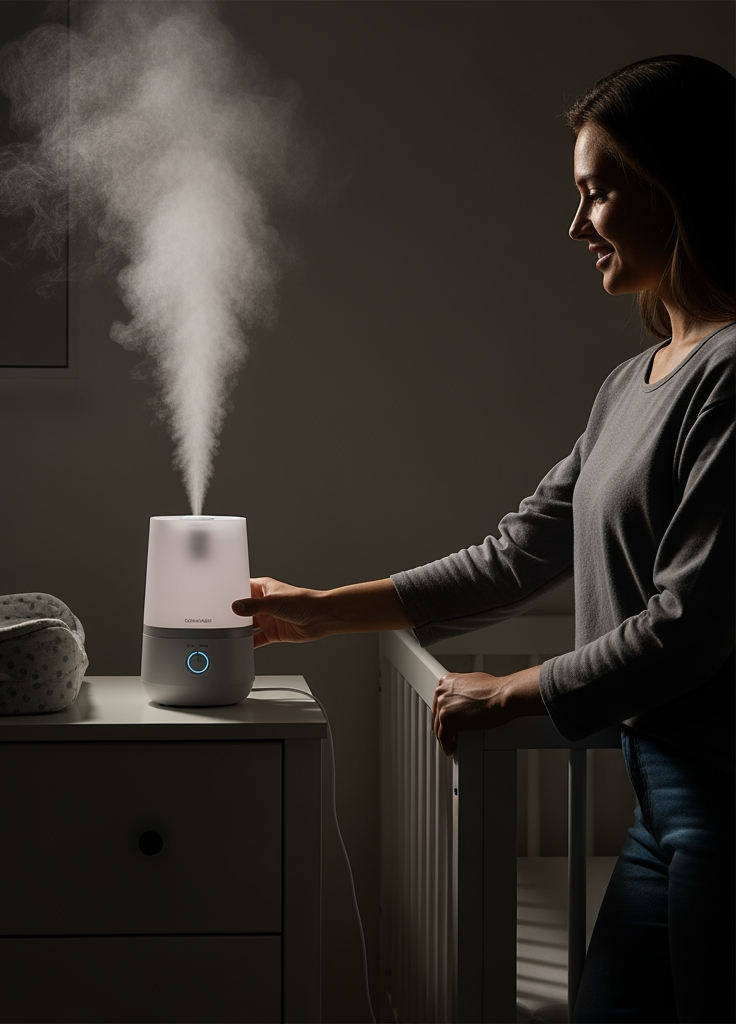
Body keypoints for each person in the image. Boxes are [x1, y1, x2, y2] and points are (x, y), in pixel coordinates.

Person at [232, 55, 735, 1023]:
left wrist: (511, 692)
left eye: (597, 193)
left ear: (675, 188)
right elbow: (515, 554)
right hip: (654, 806)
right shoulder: (628, 385)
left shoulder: (728, 376)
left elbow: (689, 623)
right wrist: (319, 612)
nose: (575, 224)